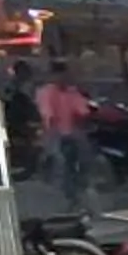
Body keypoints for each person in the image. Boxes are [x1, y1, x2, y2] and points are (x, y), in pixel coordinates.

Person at [35, 60, 94, 212]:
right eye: (59, 74)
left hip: (73, 133)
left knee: (87, 159)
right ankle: (68, 198)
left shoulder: (72, 92)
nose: (62, 78)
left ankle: (80, 191)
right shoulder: (46, 93)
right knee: (62, 163)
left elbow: (83, 111)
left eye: (65, 74)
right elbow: (49, 116)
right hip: (55, 134)